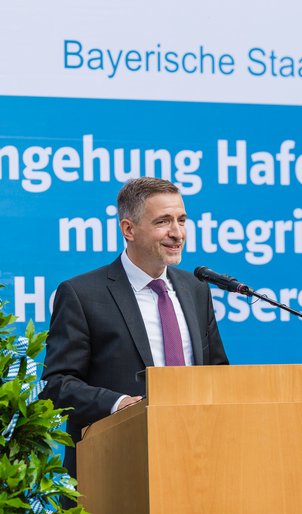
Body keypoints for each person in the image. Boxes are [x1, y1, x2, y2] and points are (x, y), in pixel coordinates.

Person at [40, 176, 229, 484]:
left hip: (196, 461)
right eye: (163, 221)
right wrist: (121, 405)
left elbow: (217, 372)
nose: (177, 233)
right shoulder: (83, 294)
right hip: (114, 469)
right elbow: (57, 385)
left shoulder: (196, 288)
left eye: (182, 220)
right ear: (128, 229)